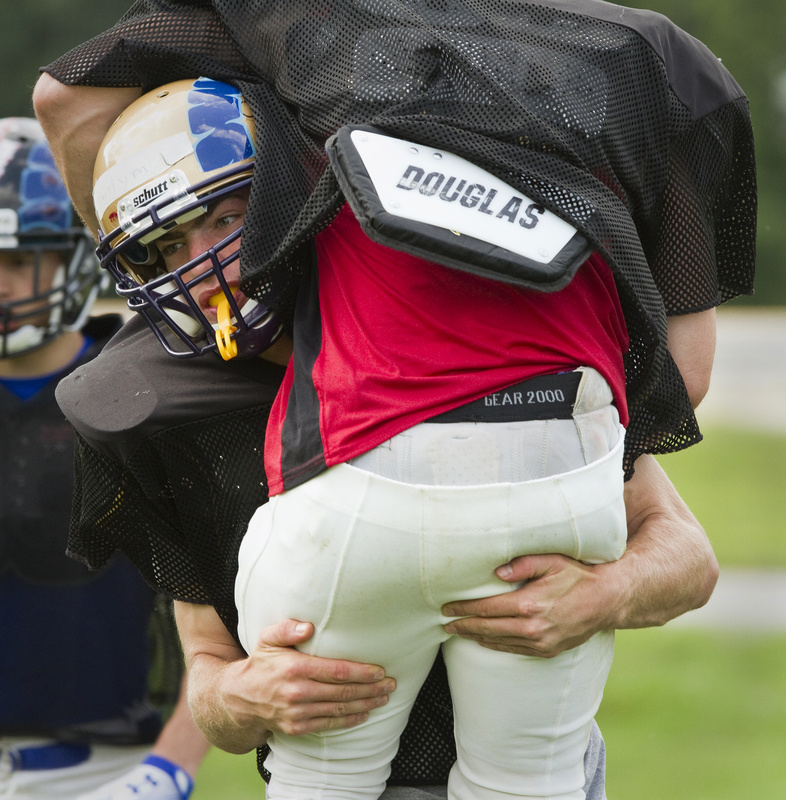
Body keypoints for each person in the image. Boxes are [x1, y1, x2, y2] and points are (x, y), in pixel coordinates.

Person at [32, 0, 754, 796]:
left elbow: (689, 558)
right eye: (167, 248)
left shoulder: (441, 322)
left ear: (287, 193)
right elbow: (206, 671)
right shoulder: (170, 403)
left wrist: (601, 595)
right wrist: (241, 696)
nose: (203, 267)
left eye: (224, 219)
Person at [0, 117, 211, 800]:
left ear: (70, 256)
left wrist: (171, 769)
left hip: (104, 768)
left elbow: (232, 594)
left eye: (15, 258)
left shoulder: (146, 390)